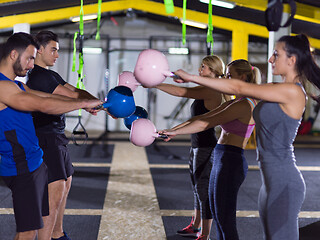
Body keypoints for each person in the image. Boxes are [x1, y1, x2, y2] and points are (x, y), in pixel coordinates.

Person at [170, 34, 320, 240]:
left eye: (276, 54)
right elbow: (224, 103)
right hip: (269, 183)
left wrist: (192, 77)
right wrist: (174, 131)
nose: (270, 59)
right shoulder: (274, 89)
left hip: (284, 182)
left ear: (292, 60)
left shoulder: (292, 92)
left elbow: (239, 87)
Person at [0, 32, 101, 240]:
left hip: (34, 163)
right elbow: (43, 105)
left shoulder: (17, 85)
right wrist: (82, 104)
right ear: (13, 55)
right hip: (21, 167)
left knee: (32, 229)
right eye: (29, 58)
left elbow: (44, 96)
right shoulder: (2, 87)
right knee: (27, 232)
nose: (31, 65)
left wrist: (85, 102)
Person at [160, 59, 260, 240]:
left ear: (242, 78)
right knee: (218, 213)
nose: (225, 80)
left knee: (225, 219)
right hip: (222, 157)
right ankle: (200, 228)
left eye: (229, 76)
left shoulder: (244, 104)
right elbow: (204, 116)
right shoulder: (235, 102)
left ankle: (204, 234)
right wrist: (172, 130)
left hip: (231, 160)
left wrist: (175, 133)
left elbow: (206, 122)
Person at [154, 55, 225, 239]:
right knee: (196, 188)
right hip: (196, 146)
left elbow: (181, 92)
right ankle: (195, 225)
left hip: (206, 148)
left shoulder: (211, 91)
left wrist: (153, 84)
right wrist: (172, 130)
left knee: (203, 191)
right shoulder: (206, 88)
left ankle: (205, 234)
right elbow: (193, 120)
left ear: (213, 70)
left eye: (204, 67)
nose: (200, 69)